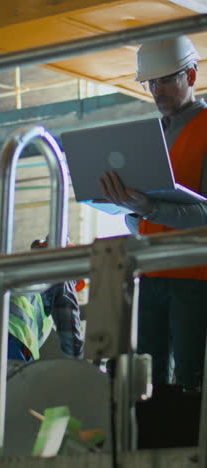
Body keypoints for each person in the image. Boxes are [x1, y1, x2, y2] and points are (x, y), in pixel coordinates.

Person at [99, 35, 207, 391]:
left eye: (165, 80)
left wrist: (149, 207)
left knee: (192, 382)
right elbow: (145, 218)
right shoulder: (151, 136)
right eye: (150, 83)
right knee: (146, 385)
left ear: (191, 76)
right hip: (151, 276)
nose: (156, 91)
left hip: (196, 280)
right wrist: (131, 208)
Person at [0, 238, 83, 460]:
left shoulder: (6, 259)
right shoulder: (57, 265)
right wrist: (78, 372)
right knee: (19, 411)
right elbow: (69, 325)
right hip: (4, 336)